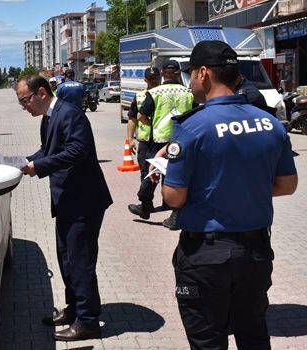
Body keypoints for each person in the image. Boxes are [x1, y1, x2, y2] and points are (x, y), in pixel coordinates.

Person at [161, 40, 297, 349]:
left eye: (191, 73)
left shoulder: (192, 128)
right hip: (256, 253)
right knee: (254, 337)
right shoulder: (270, 124)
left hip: (206, 257)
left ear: (204, 74)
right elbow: (288, 185)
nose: (190, 80)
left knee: (208, 342)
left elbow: (174, 198)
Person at [15, 74, 113, 341]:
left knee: (80, 261)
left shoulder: (69, 114)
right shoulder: (50, 117)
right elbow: (48, 150)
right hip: (67, 199)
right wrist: (24, 161)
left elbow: (77, 151)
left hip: (84, 200)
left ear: (42, 93)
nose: (24, 107)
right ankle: (75, 309)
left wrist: (39, 166)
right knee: (67, 258)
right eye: (21, 103)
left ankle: (88, 320)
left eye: (25, 100)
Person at [127, 60, 194, 229]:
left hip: (159, 141)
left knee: (153, 173)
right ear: (179, 73)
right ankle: (175, 214)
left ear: (162, 74)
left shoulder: (155, 93)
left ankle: (146, 204)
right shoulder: (188, 92)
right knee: (180, 176)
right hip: (182, 140)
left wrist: (154, 125)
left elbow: (141, 116)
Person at [126, 66, 161, 187]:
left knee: (167, 173)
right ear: (145, 79)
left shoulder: (165, 94)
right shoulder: (139, 96)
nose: (153, 80)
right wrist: (130, 140)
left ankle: (167, 203)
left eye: (156, 77)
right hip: (145, 141)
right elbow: (132, 119)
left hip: (163, 139)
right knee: (146, 173)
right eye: (150, 78)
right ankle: (146, 203)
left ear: (160, 78)